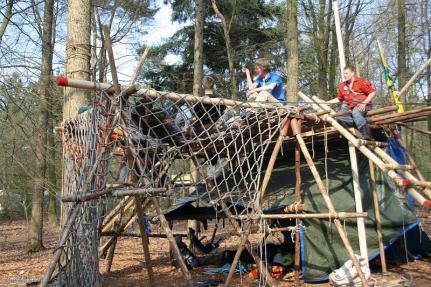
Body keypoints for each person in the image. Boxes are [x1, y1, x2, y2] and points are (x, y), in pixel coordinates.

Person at [327, 66, 376, 140]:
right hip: (350, 106)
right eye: (343, 73)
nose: (344, 75)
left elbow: (372, 92)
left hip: (363, 104)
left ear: (352, 73)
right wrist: (326, 102)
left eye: (346, 73)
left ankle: (366, 134)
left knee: (356, 112)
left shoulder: (360, 81)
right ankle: (357, 121)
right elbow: (339, 99)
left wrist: (364, 103)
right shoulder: (342, 85)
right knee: (339, 117)